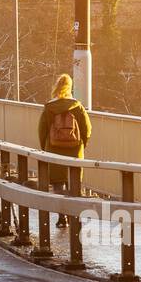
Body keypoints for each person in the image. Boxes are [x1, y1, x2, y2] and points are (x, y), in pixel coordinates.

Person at [38, 73, 91, 226]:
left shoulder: (49, 107)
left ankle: (62, 218)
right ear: (70, 88)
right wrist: (82, 145)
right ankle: (75, 217)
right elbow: (87, 129)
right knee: (74, 184)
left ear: (56, 87)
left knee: (57, 184)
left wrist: (45, 149)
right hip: (75, 150)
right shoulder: (78, 106)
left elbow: (42, 131)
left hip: (54, 149)